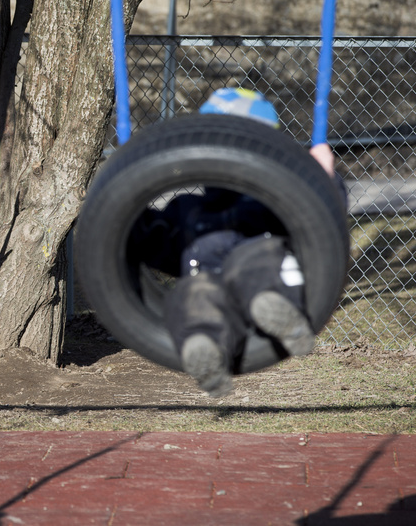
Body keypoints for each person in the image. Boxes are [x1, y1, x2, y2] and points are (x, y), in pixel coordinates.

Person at [130, 87, 346, 397]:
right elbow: (153, 239)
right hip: (208, 280)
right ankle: (204, 350)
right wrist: (122, 205)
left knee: (258, 264)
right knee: (195, 295)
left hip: (258, 265)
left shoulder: (276, 201)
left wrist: (323, 178)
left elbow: (323, 219)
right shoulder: (188, 210)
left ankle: (275, 307)